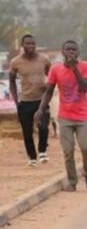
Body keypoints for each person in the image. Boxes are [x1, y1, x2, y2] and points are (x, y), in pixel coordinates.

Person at [35, 40, 87, 192]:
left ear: (78, 52)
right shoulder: (56, 69)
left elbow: (86, 88)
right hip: (65, 117)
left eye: (74, 49)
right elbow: (48, 91)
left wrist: (75, 69)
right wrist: (41, 109)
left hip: (83, 117)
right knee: (68, 151)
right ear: (62, 52)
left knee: (86, 147)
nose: (71, 52)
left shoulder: (86, 66)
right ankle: (72, 180)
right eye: (68, 49)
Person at [9, 34, 52, 166]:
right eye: (28, 44)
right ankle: (32, 158)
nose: (31, 46)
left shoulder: (44, 59)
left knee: (44, 126)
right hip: (25, 101)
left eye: (33, 43)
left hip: (41, 100)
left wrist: (47, 87)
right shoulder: (15, 62)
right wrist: (16, 101)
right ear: (23, 45)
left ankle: (42, 151)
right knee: (27, 131)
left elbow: (51, 76)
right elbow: (11, 82)